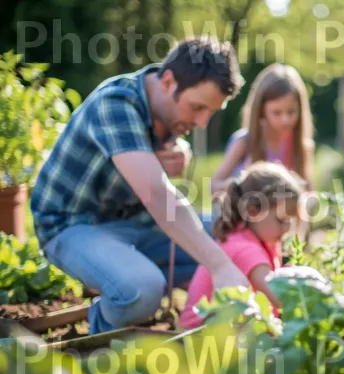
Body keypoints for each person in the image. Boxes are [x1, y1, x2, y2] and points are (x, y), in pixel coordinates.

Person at [30, 36, 250, 335]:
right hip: (71, 226)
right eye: (198, 108)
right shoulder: (116, 103)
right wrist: (220, 266)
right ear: (169, 81)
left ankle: (143, 283)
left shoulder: (168, 109)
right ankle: (102, 336)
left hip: (136, 224)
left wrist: (178, 152)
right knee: (141, 288)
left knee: (237, 233)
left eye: (210, 112)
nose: (202, 122)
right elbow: (157, 194)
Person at [179, 161, 305, 329]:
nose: (287, 227)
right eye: (282, 220)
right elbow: (279, 297)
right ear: (253, 211)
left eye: (290, 221)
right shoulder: (247, 249)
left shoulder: (256, 237)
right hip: (200, 334)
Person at [201, 63, 315, 235]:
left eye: (291, 112)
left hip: (277, 235)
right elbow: (214, 186)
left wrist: (300, 240)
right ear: (261, 110)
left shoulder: (301, 148)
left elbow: (307, 197)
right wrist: (244, 182)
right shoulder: (244, 143)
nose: (285, 120)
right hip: (240, 229)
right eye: (277, 113)